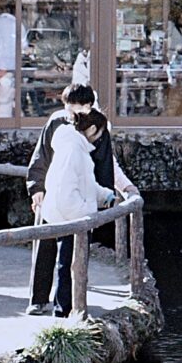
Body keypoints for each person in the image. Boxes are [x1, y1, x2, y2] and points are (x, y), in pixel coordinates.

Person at [29, 106, 114, 317]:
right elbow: (66, 190)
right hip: (69, 216)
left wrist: (105, 196)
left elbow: (85, 183)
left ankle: (66, 307)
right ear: (93, 128)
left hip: (65, 213)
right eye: (101, 132)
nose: (101, 138)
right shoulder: (74, 150)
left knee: (67, 263)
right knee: (67, 265)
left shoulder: (75, 147)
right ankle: (64, 310)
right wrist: (85, 213)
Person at [28, 81, 117, 247]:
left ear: (89, 105)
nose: (74, 109)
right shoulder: (57, 121)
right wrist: (36, 187)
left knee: (74, 249)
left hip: (81, 194)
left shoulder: (96, 125)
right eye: (70, 105)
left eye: (79, 105)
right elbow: (42, 155)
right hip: (53, 191)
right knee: (44, 248)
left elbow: (104, 163)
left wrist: (104, 198)